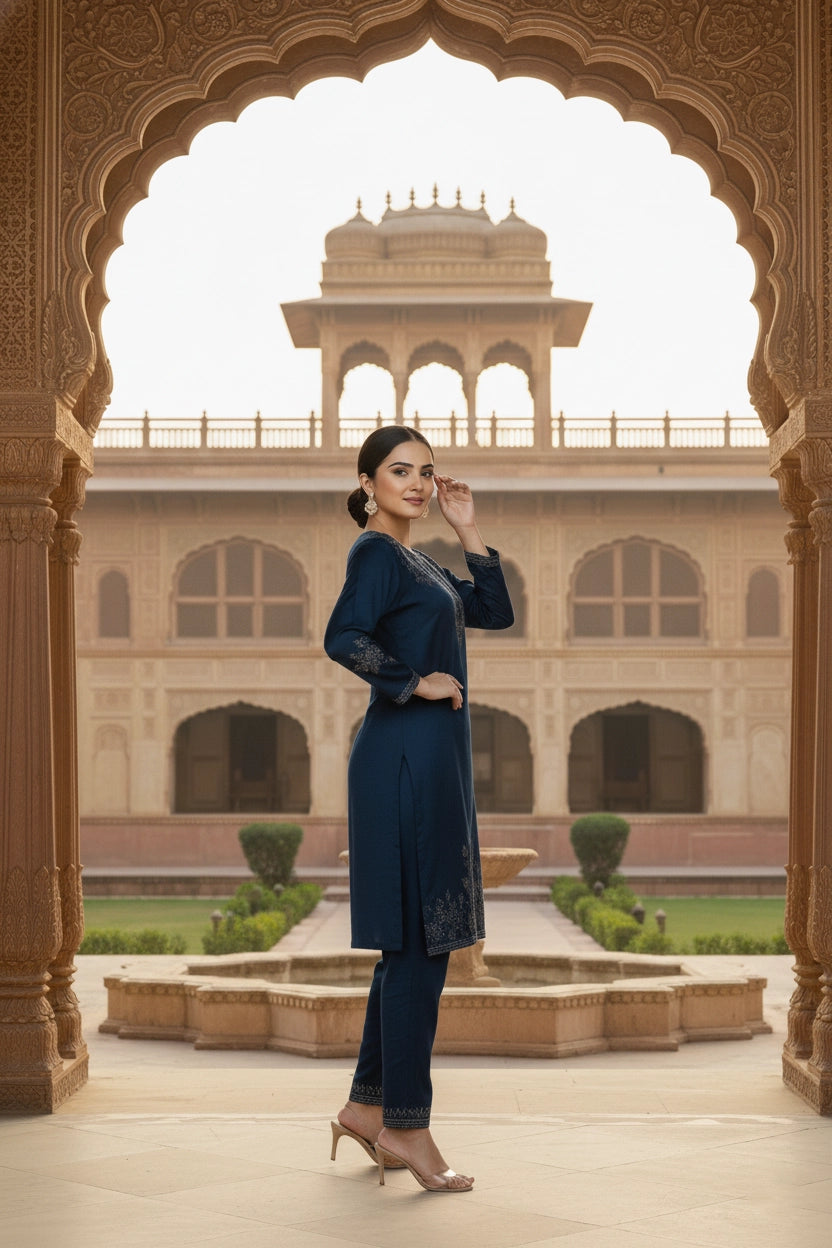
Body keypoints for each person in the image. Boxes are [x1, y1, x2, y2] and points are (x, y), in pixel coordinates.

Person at [324, 424, 514, 1193]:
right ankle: (408, 1125)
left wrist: (468, 529)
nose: (417, 483)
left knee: (414, 943)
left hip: (429, 763)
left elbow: (493, 613)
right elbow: (343, 635)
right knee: (419, 946)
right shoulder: (374, 552)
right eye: (399, 470)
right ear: (368, 482)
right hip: (402, 760)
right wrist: (412, 680)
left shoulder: (420, 561)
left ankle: (368, 1109)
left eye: (426, 472)